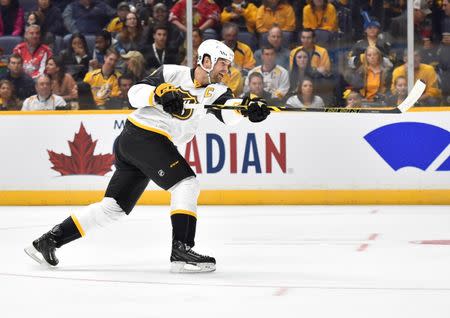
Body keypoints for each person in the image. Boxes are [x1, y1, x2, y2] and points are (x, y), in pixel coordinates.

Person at [25, 39, 270, 273]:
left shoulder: (216, 91)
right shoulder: (173, 73)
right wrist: (160, 93)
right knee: (186, 183)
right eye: (223, 64)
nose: (226, 70)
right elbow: (135, 93)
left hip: (137, 144)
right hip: (142, 135)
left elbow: (229, 113)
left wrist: (247, 108)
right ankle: (182, 250)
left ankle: (49, 240)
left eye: (228, 66)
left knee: (113, 208)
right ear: (206, 60)